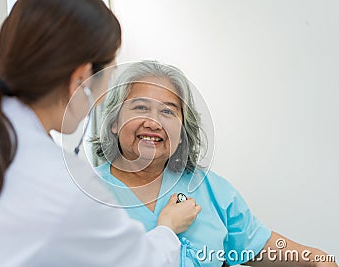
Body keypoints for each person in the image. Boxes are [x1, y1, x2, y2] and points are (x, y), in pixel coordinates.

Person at [0, 1, 202, 266]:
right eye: (107, 82)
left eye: (168, 111)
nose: (152, 122)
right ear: (81, 80)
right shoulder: (66, 186)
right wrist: (167, 228)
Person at [93, 61, 338, 267]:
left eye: (168, 112)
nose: (153, 122)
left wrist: (315, 258)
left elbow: (255, 244)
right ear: (114, 121)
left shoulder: (212, 189)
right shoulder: (87, 194)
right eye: (141, 108)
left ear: (182, 130)